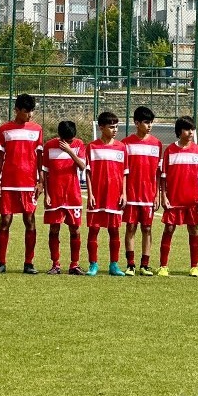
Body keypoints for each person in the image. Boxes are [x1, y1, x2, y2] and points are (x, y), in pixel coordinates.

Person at [0, 94, 43, 275]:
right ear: (17, 110)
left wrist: (40, 181)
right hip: (8, 183)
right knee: (5, 221)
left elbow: (39, 157)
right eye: (26, 111)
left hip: (29, 183)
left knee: (29, 221)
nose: (29, 115)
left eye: (31, 111)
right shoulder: (4, 130)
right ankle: (1, 262)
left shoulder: (37, 129)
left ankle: (29, 263)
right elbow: (0, 158)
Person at [158, 116, 198, 277]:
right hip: (174, 199)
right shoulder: (170, 150)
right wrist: (163, 195)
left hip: (192, 199)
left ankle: (195, 267)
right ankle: (163, 266)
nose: (191, 132)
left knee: (193, 229)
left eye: (192, 129)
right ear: (179, 132)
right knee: (169, 229)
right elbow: (163, 177)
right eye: (187, 129)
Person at [41, 120, 87, 275]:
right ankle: (56, 264)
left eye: (71, 139)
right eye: (66, 140)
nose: (68, 142)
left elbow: (82, 166)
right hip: (54, 195)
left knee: (75, 229)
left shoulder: (79, 144)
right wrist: (46, 194)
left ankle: (74, 264)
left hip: (73, 195)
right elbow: (45, 173)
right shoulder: (49, 146)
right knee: (54, 229)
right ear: (60, 136)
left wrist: (70, 151)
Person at [86, 112, 128, 277]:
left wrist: (123, 193)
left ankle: (114, 265)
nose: (115, 129)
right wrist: (90, 194)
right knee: (94, 229)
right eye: (111, 127)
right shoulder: (92, 147)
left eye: (116, 126)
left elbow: (124, 173)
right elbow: (88, 173)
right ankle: (93, 264)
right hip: (97, 195)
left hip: (115, 195)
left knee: (114, 230)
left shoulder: (121, 147)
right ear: (101, 127)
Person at [122, 106, 162, 276]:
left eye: (151, 122)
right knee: (130, 227)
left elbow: (159, 174)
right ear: (136, 123)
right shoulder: (126, 144)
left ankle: (145, 265)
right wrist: (123, 192)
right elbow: (122, 172)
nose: (149, 125)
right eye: (146, 122)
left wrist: (158, 194)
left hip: (148, 195)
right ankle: (130, 264)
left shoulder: (157, 144)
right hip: (131, 194)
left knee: (147, 228)